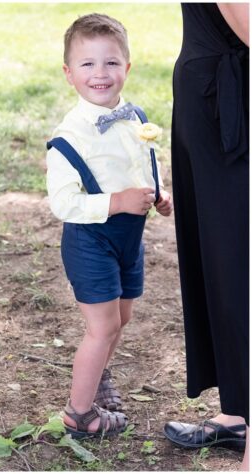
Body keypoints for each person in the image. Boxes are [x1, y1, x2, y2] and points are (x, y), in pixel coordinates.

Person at [44, 14, 172, 439]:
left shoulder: (134, 118)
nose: (101, 73)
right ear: (68, 74)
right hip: (90, 239)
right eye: (87, 64)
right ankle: (79, 415)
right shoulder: (68, 138)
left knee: (121, 317)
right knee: (102, 327)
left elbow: (141, 163)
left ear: (128, 68)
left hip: (128, 239)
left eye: (112, 63)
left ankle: (96, 372)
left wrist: (157, 192)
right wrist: (116, 202)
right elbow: (63, 203)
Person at [164, 3, 249, 469]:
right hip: (224, 100)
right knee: (233, 264)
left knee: (234, 260)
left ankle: (240, 413)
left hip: (222, 91)